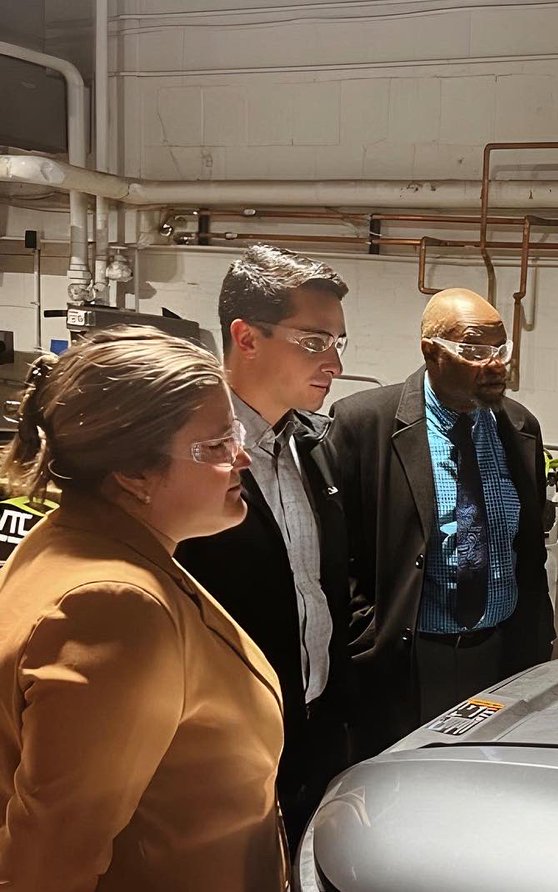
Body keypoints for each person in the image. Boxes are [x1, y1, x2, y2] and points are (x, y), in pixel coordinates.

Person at [0, 327, 287, 891]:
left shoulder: (80, 539)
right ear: (133, 473)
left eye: (234, 432)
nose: (243, 458)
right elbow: (51, 864)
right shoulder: (114, 607)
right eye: (215, 447)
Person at [175, 244, 354, 852]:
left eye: (337, 343)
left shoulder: (317, 445)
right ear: (246, 338)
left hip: (312, 720)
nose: (332, 362)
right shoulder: (189, 453)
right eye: (314, 341)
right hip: (222, 740)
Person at [328, 288, 553, 754]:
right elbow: (335, 550)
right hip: (406, 657)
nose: (495, 365)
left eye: (501, 349)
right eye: (474, 350)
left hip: (500, 653)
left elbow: (528, 547)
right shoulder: (364, 422)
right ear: (431, 351)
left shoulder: (520, 426)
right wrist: (366, 629)